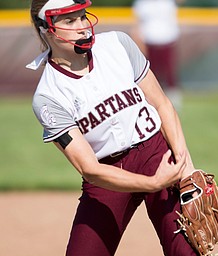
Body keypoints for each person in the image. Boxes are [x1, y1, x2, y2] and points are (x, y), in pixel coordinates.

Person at [27, 0, 197, 255]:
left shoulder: (118, 43)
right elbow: (90, 168)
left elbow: (162, 104)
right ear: (46, 29)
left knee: (186, 251)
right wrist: (151, 183)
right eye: (70, 20)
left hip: (157, 155)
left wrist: (187, 170)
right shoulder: (48, 97)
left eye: (82, 16)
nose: (82, 26)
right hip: (108, 175)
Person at [132, 0, 183, 110]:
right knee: (151, 72)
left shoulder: (167, 2)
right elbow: (138, 24)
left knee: (169, 71)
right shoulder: (142, 4)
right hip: (150, 41)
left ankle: (173, 97)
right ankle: (152, 98)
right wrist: (139, 42)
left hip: (167, 40)